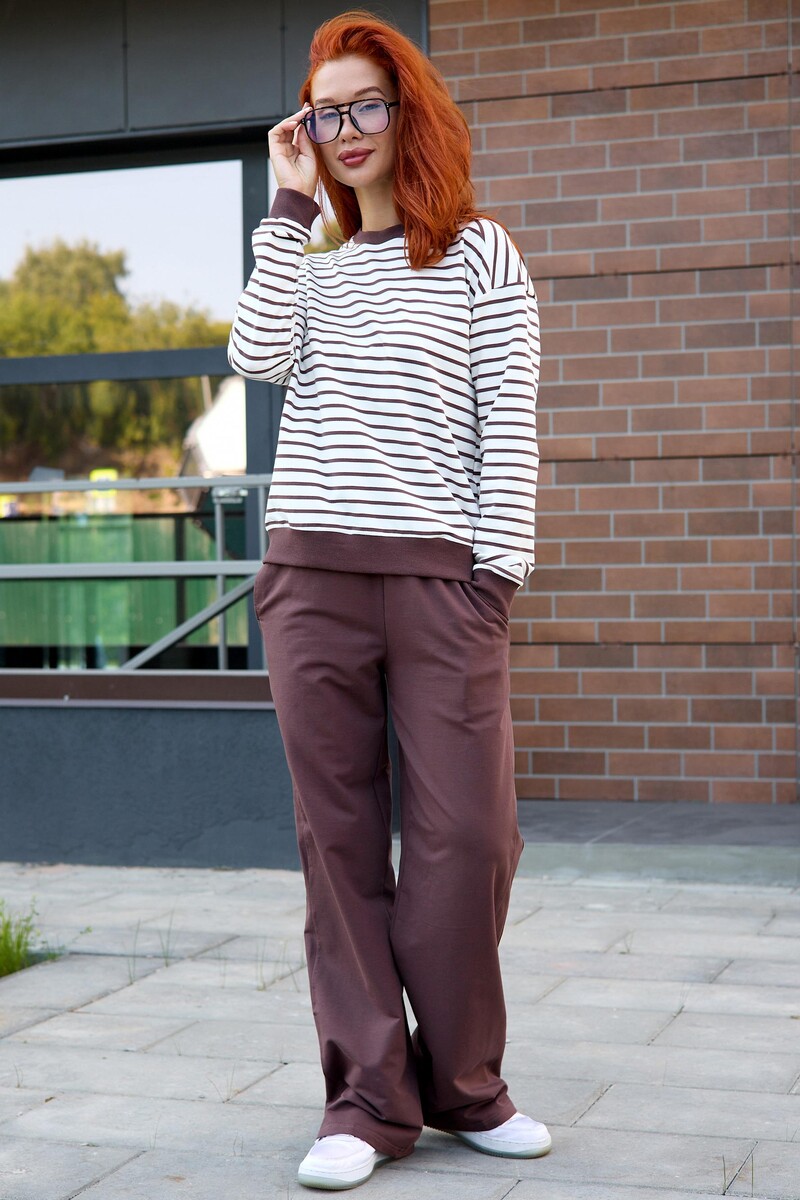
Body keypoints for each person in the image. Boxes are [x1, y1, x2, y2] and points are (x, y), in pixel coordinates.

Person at [228, 9, 546, 1191]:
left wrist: (492, 579)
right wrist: (285, 205)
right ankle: (366, 1100)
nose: (347, 128)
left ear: (408, 110)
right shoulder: (304, 259)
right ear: (304, 130)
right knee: (340, 845)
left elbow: (507, 428)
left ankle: (463, 1084)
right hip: (311, 577)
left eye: (367, 103)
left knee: (470, 839)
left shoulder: (477, 254)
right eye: (325, 113)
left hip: (441, 583)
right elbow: (254, 356)